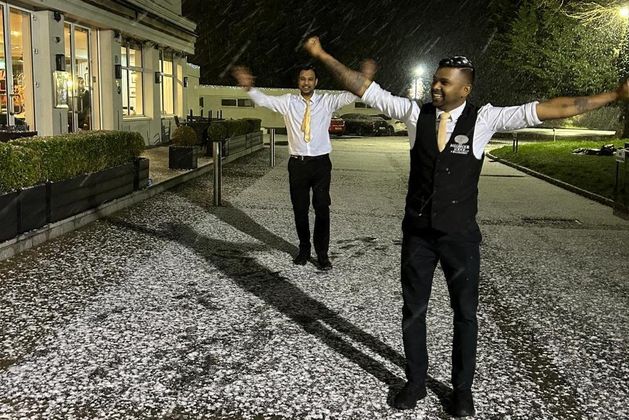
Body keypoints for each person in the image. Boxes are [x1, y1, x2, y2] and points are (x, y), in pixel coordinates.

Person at [303, 36, 629, 416]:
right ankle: (416, 382)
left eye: (444, 81)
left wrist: (613, 95)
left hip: (460, 236)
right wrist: (323, 54)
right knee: (413, 310)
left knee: (466, 314)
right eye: (435, 80)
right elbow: (363, 87)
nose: (435, 86)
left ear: (465, 88)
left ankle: (461, 390)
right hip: (419, 234)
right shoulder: (414, 114)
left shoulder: (485, 118)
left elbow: (551, 108)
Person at [232, 65, 357, 270]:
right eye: (302, 79)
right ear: (298, 82)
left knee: (322, 209)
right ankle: (304, 250)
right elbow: (265, 100)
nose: (306, 82)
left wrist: (361, 79)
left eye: (310, 79)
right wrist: (249, 88)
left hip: (320, 164)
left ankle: (322, 254)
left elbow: (350, 95)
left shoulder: (327, 101)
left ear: (316, 82)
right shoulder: (288, 102)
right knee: (300, 210)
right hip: (297, 165)